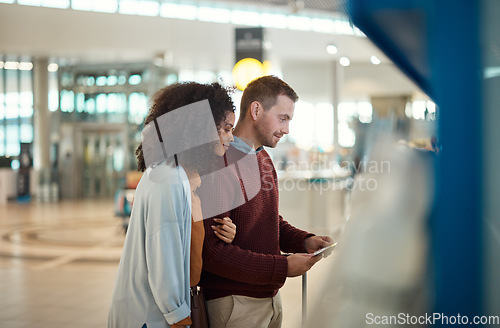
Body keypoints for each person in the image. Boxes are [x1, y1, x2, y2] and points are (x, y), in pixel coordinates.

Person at [199, 75, 334, 328]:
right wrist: (282, 267)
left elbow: (268, 221)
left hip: (269, 299)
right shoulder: (219, 162)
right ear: (256, 109)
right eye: (283, 118)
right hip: (235, 304)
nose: (286, 129)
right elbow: (214, 253)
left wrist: (303, 240)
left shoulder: (262, 159)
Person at [108, 82, 238, 328]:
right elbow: (163, 254)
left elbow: (185, 242)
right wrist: (179, 317)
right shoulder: (167, 177)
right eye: (226, 129)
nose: (231, 137)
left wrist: (225, 230)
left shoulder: (184, 176)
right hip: (152, 316)